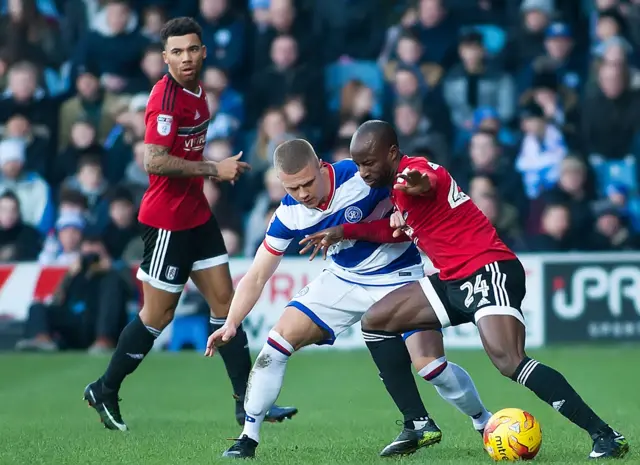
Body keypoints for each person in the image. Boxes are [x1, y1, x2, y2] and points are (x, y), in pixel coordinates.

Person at [299, 120, 629, 460]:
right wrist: (346, 231)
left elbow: (428, 181)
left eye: (368, 162)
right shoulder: (396, 191)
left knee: (508, 360)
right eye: (358, 164)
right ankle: (417, 423)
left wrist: (416, 183)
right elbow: (396, 230)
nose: (363, 171)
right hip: (455, 277)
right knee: (377, 322)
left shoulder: (413, 172)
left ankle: (606, 435)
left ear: (392, 153)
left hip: (488, 268)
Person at [208, 139, 492, 459]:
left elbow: (408, 182)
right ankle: (248, 438)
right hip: (342, 279)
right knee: (274, 346)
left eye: (307, 183)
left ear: (320, 164)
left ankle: (484, 421)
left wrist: (402, 210)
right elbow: (257, 275)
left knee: (431, 367)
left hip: (397, 276)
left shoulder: (359, 176)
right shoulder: (288, 215)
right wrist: (231, 323)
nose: (302, 194)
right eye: (292, 188)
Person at [83, 17, 296, 431]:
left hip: (197, 215)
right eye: (176, 52)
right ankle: (104, 389)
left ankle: (248, 404)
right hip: (167, 223)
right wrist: (214, 168)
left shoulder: (199, 93)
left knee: (227, 307)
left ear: (203, 52)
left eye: (192, 49)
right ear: (165, 58)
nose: (185, 58)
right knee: (156, 318)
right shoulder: (165, 98)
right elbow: (154, 160)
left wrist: (208, 175)